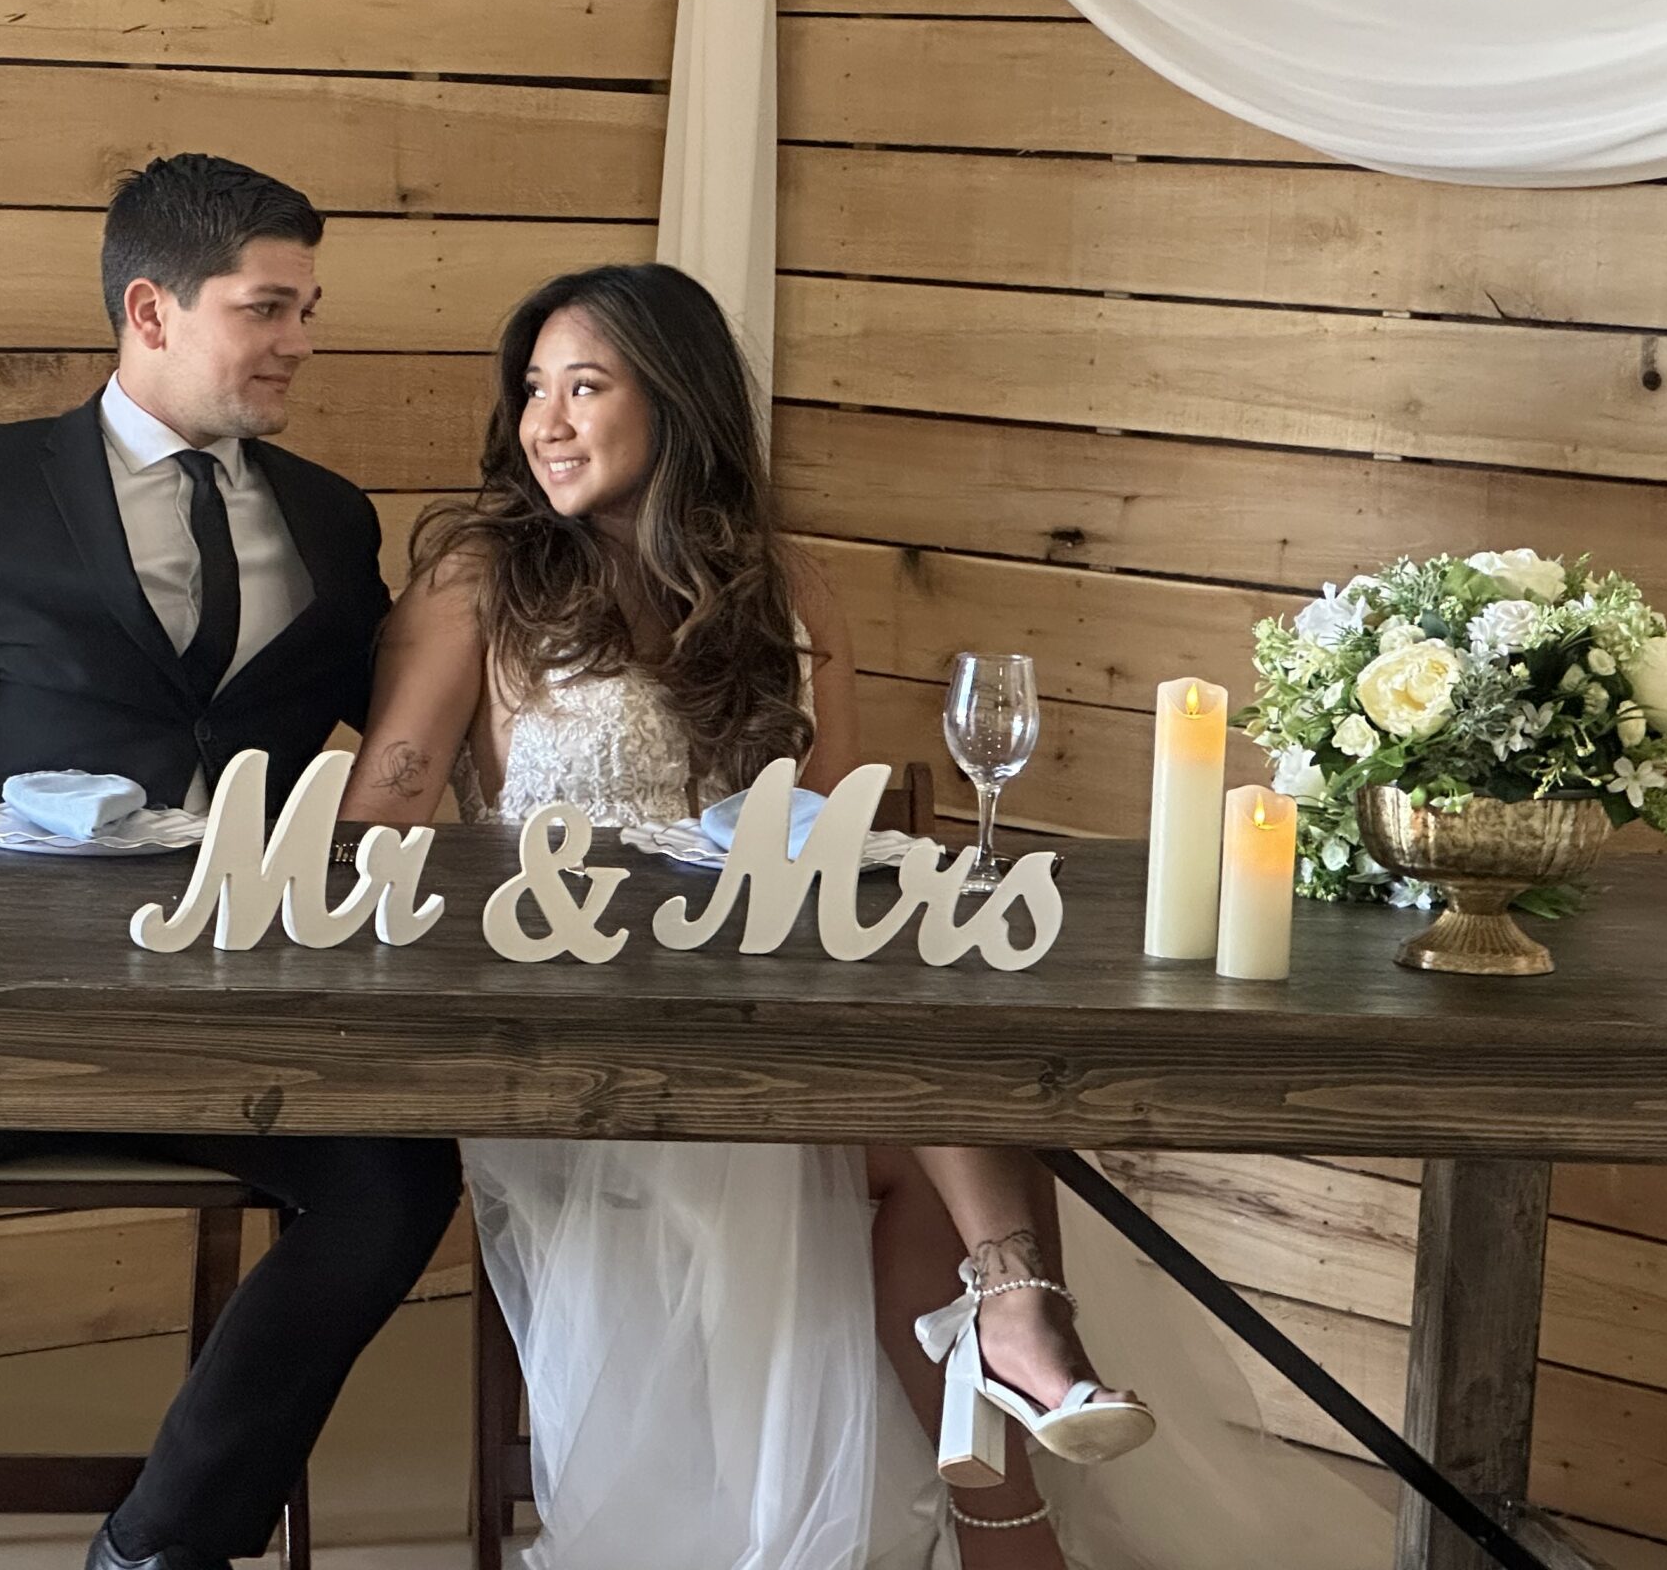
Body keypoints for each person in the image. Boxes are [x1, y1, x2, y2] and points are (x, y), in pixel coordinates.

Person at [340, 262, 1152, 1570]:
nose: (546, 419)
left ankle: (1001, 1371)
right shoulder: (481, 581)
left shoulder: (785, 588)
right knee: (901, 1154)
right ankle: (1004, 1382)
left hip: (756, 1002)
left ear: (676, 403)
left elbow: (842, 847)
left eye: (585, 387)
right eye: (533, 389)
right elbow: (387, 811)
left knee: (922, 1143)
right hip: (559, 1019)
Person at [0, 154, 460, 1570]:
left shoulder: (335, 520)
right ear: (150, 310)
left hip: (243, 1007)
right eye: (266, 307)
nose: (298, 341)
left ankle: (161, 1544)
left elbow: (416, 726)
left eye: (308, 309)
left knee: (399, 1178)